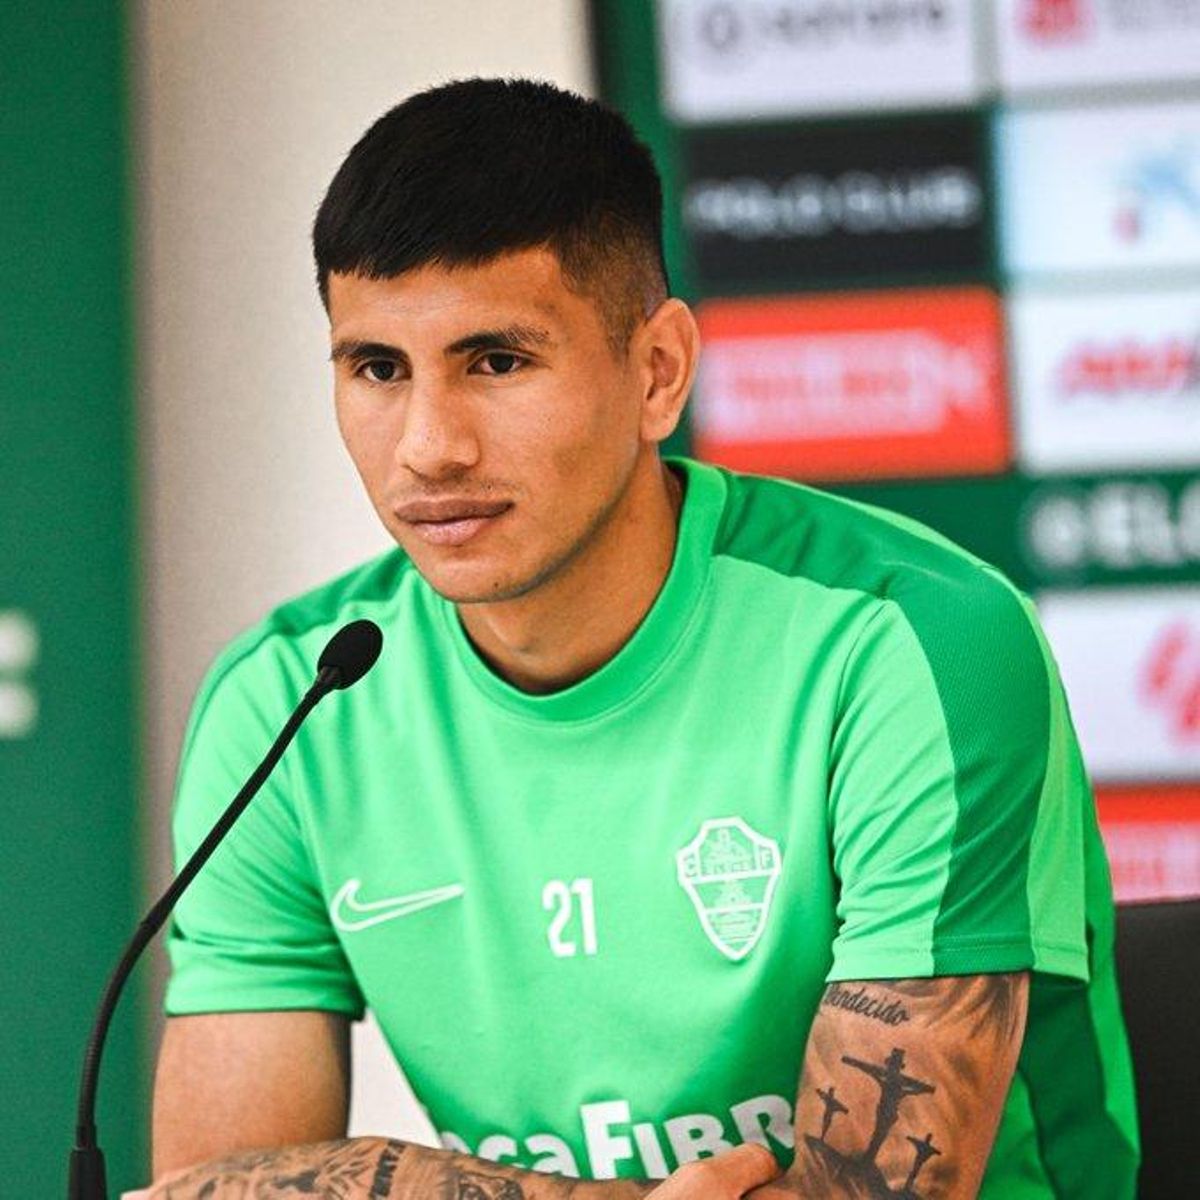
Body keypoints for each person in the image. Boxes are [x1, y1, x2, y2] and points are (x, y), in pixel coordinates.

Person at [146, 78, 1139, 1199]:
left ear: (657, 370)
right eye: (378, 369)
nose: (428, 447)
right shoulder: (289, 700)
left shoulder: (911, 643)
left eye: (498, 361)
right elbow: (206, 1189)